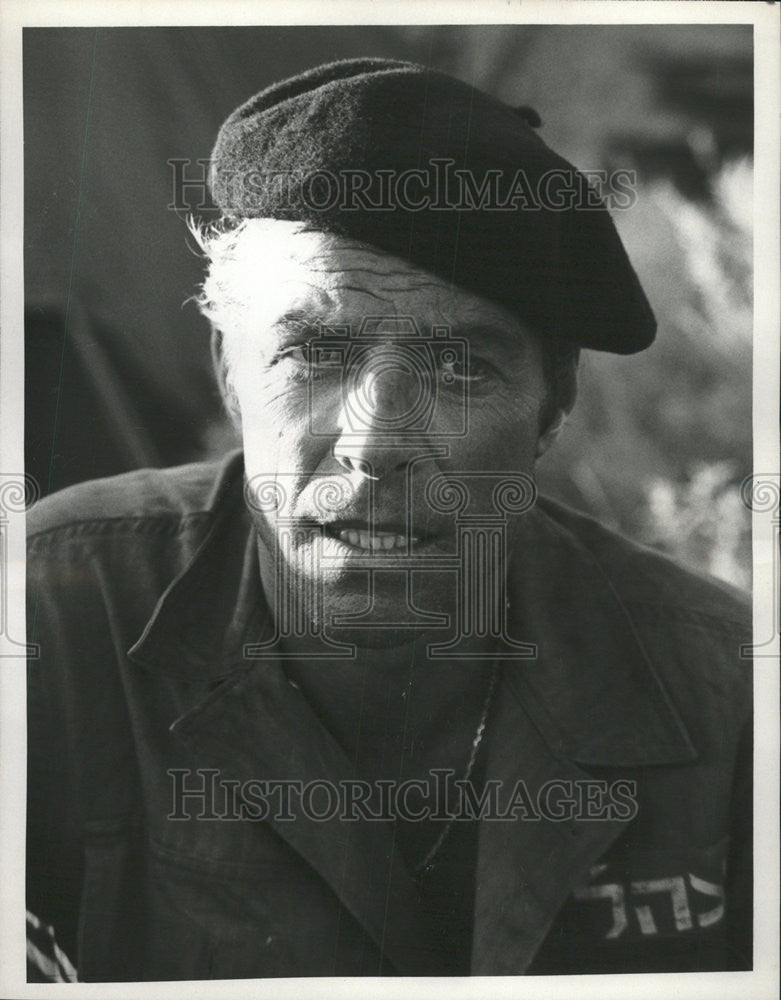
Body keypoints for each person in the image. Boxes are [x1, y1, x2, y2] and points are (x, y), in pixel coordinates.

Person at [26, 58, 752, 980]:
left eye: (457, 370)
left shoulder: (721, 694)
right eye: (315, 354)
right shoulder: (48, 620)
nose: (375, 443)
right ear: (229, 375)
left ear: (552, 403)